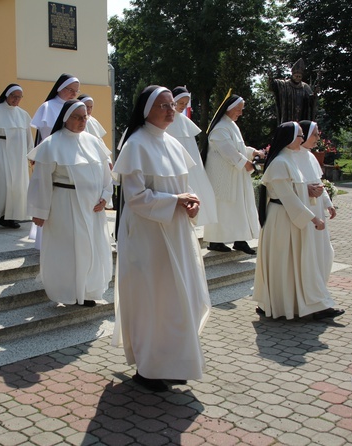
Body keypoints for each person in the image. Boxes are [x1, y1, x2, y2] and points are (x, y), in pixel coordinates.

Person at [111, 85, 211, 392]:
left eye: (173, 106)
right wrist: (177, 200)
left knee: (179, 299)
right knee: (151, 299)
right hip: (147, 236)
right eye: (164, 106)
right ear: (147, 110)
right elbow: (136, 198)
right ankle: (149, 367)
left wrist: (191, 202)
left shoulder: (173, 143)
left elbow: (185, 188)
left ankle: (173, 361)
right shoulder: (136, 145)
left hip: (177, 232)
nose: (171, 111)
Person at [252, 122, 344, 320]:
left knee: (297, 264)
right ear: (290, 138)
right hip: (282, 220)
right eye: (300, 135)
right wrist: (314, 219)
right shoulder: (279, 163)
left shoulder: (291, 160)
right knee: (284, 264)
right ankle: (279, 304)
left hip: (292, 220)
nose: (303, 139)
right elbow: (289, 199)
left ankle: (306, 305)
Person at [27, 100, 112, 307]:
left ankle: (88, 290)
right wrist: (40, 211)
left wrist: (105, 196)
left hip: (93, 207)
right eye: (78, 117)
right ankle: (69, 292)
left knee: (92, 248)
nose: (84, 121)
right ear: (66, 118)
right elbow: (42, 180)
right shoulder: (51, 144)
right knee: (68, 250)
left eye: (85, 117)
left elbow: (106, 173)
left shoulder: (94, 141)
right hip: (65, 205)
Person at [203, 94, 264, 253]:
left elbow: (239, 148)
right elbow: (229, 152)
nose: (241, 113)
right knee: (222, 209)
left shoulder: (230, 125)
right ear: (229, 108)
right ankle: (215, 241)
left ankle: (240, 240)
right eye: (238, 110)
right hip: (223, 178)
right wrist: (246, 163)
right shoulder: (220, 128)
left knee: (238, 209)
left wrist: (253, 152)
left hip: (235, 176)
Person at [29, 74, 81, 246]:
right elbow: (41, 136)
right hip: (51, 157)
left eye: (76, 91)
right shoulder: (48, 107)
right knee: (46, 195)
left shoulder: (75, 107)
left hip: (71, 158)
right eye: (70, 90)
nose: (73, 93)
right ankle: (43, 242)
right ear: (60, 88)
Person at [0, 84, 33, 229]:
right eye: (13, 96)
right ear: (7, 96)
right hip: (1, 151)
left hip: (19, 155)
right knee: (3, 184)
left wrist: (31, 156)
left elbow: (29, 138)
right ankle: (1, 215)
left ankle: (13, 216)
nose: (16, 99)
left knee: (17, 185)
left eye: (19, 97)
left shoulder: (23, 115)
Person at [165, 86, 218, 227]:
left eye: (185, 103)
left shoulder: (185, 122)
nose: (183, 106)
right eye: (180, 103)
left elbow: (192, 149)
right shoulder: (165, 121)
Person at [297, 120, 336, 283]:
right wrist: (306, 190)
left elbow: (319, 181)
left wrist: (328, 203)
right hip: (304, 210)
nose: (318, 137)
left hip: (317, 209)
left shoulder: (311, 157)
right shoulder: (291, 156)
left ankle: (319, 284)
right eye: (315, 134)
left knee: (324, 250)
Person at [270, 58, 317, 124]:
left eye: (299, 77)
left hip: (301, 117)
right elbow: (275, 85)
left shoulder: (305, 87)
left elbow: (311, 101)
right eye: (296, 76)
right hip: (288, 117)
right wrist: (271, 79)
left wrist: (314, 96)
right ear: (292, 75)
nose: (297, 78)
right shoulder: (285, 84)